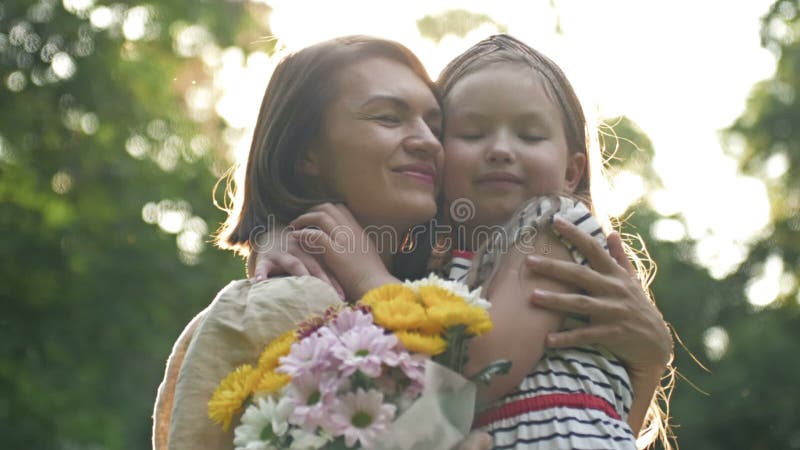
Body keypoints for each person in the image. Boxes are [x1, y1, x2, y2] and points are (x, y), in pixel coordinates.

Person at [251, 34, 674, 449]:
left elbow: (483, 365)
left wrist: (368, 276)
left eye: (529, 136)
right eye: (471, 134)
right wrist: (278, 233)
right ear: (439, 156)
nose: (501, 150)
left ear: (572, 171)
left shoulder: (556, 229)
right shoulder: (438, 268)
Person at [152, 35, 491, 450]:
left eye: (436, 127)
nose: (428, 141)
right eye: (388, 117)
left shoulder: (460, 284)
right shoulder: (288, 304)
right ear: (305, 154)